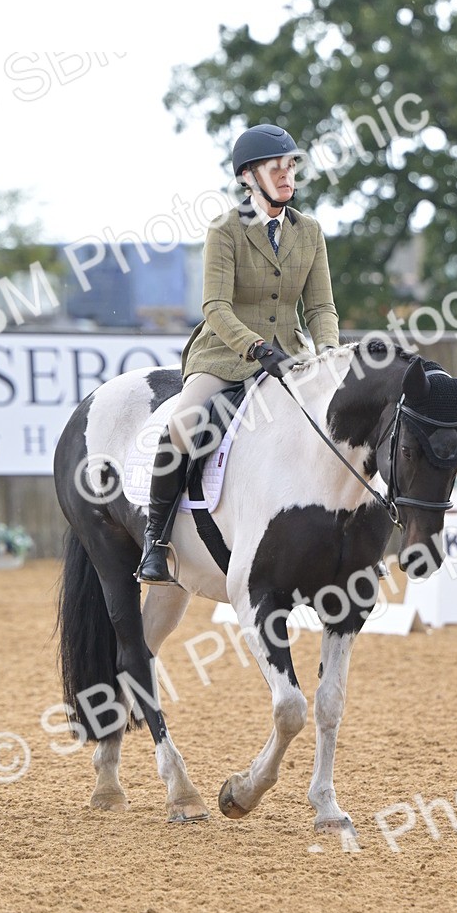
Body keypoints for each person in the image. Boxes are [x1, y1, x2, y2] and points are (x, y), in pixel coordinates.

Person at [137, 122, 340, 584]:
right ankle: (156, 538)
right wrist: (254, 346)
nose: (287, 175)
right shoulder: (226, 229)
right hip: (227, 354)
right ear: (249, 177)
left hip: (290, 354)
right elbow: (215, 307)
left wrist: (328, 353)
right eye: (276, 167)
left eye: (291, 166)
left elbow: (321, 306)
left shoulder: (308, 232)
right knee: (184, 422)